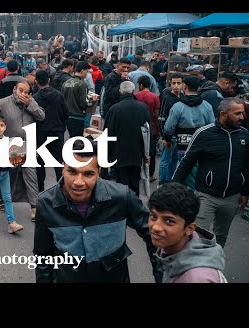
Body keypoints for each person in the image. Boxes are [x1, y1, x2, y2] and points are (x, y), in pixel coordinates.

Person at [33, 139, 162, 283]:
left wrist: (162, 277)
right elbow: (43, 257)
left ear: (98, 172)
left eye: (88, 174)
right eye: (72, 171)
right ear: (63, 167)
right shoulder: (46, 203)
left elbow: (153, 234)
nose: (78, 182)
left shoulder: (122, 197)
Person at [173, 98, 249, 248]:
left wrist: (245, 192)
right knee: (198, 236)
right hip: (206, 196)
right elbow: (186, 162)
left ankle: (214, 267)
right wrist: (174, 190)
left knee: (221, 236)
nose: (242, 117)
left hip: (232, 197)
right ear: (223, 114)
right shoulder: (204, 134)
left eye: (243, 113)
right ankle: (194, 267)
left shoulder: (245, 135)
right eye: (238, 113)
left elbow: (246, 166)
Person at [0, 80, 45, 222]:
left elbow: (41, 116)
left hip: (28, 146)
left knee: (31, 175)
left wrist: (30, 104)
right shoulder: (3, 103)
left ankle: (34, 207)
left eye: (26, 92)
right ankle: (1, 201)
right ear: (14, 89)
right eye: (20, 90)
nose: (23, 94)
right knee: (9, 174)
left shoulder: (31, 103)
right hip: (9, 147)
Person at [149, 182, 227, 283]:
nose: (156, 227)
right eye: (154, 217)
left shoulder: (196, 278)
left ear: (189, 229)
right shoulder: (171, 247)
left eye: (169, 221)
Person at [105, 81, 151, 197]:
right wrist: (148, 153)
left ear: (120, 92)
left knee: (121, 182)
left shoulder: (114, 109)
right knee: (135, 181)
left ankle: (122, 208)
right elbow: (148, 132)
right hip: (137, 152)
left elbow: (107, 133)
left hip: (119, 153)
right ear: (133, 91)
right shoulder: (143, 108)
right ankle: (134, 206)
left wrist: (107, 154)